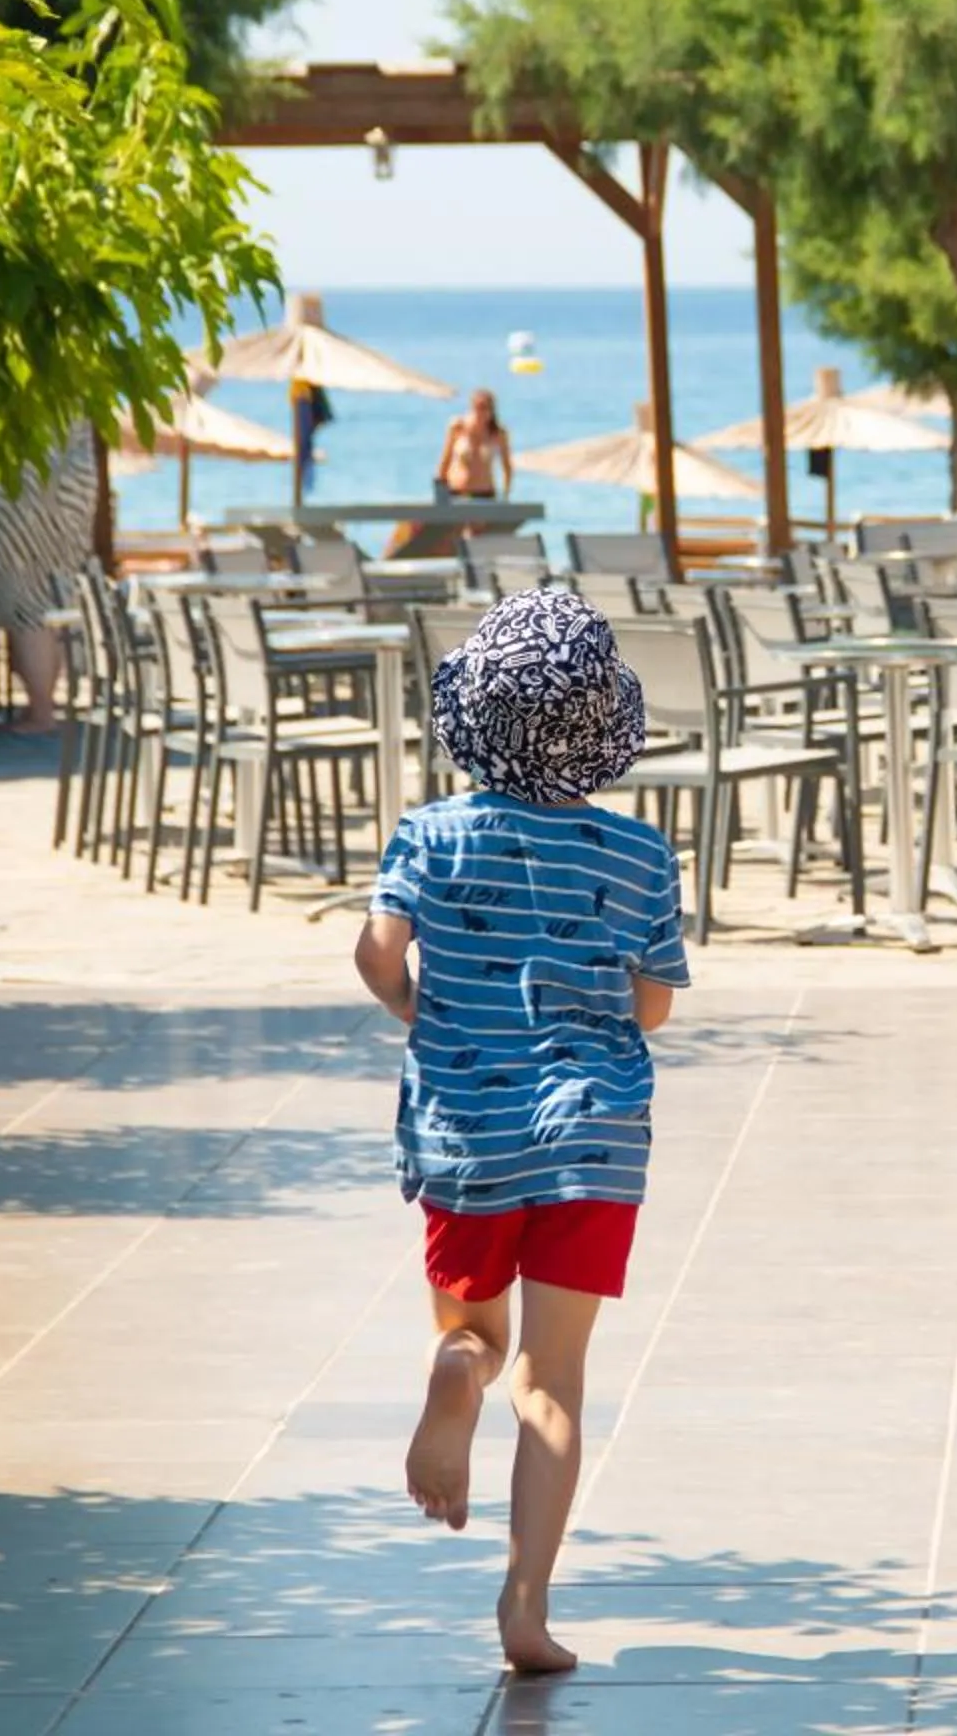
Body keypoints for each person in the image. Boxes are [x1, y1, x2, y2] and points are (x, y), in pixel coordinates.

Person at [353, 589, 691, 1675]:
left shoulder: (430, 833)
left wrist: (422, 1009)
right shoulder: (639, 853)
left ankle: (457, 1371)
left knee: (480, 1335)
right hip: (593, 1137)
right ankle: (526, 1607)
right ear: (604, 728)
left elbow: (375, 954)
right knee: (553, 1379)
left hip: (467, 1128)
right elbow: (653, 1007)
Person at [0, 427, 98, 736]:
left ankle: (41, 712)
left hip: (23, 485)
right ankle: (41, 706)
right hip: (69, 480)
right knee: (45, 600)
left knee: (26, 606)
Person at [436, 389, 515, 502]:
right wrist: (440, 494)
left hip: (485, 494)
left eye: (485, 408)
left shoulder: (498, 433)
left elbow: (507, 467)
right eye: (477, 407)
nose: (480, 412)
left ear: (491, 411)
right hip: (457, 493)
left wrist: (505, 495)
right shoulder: (458, 427)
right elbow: (445, 461)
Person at [291, 380, 333, 497]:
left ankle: (306, 479)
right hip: (303, 397)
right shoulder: (303, 389)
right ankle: (306, 480)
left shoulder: (304, 390)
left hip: (304, 397)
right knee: (305, 448)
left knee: (304, 448)